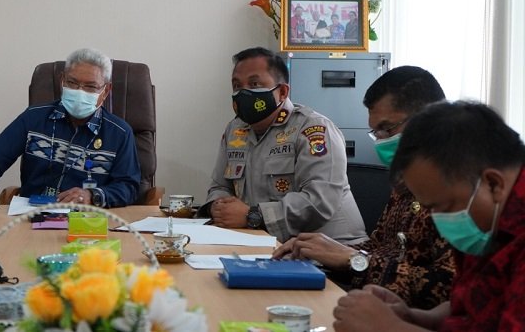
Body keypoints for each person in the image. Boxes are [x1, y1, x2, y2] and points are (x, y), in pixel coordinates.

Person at [273, 66, 455, 309]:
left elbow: (447, 288)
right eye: (375, 131)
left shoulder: (460, 186)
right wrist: (323, 251)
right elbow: (380, 247)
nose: (380, 140)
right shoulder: (405, 182)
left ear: (429, 119)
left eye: (387, 129)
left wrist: (354, 260)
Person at [333, 101, 525, 331]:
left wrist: (391, 328)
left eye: (443, 206)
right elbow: (471, 306)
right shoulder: (488, 224)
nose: (437, 220)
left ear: (493, 184)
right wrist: (415, 317)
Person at [0, 48, 141, 210]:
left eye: (90, 86)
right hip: (31, 216)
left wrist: (92, 195)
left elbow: (129, 186)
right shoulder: (34, 118)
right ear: (62, 80)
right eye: (73, 83)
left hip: (87, 222)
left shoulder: (120, 133)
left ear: (106, 91)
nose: (80, 91)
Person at [200, 47, 367, 244]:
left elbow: (318, 203)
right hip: (265, 244)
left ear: (282, 92)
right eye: (237, 86)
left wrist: (253, 216)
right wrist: (218, 207)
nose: (243, 92)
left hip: (331, 253)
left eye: (254, 84)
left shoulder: (314, 129)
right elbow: (219, 186)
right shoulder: (235, 130)